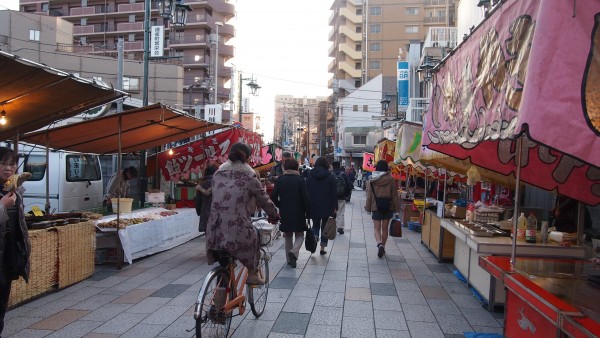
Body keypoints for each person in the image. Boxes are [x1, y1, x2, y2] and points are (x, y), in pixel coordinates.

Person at [205, 143, 280, 285]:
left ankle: (219, 304)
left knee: (224, 267)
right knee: (254, 237)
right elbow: (264, 199)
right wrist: (274, 215)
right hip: (237, 228)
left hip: (214, 230)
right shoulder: (249, 177)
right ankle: (253, 273)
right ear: (247, 158)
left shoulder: (217, 174)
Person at [0, 147, 31, 336]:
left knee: (2, 305)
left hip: (9, 256)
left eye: (12, 164)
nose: (8, 168)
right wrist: (2, 205)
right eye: (3, 163)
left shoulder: (14, 190)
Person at [270, 158, 310, 268]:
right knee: (300, 234)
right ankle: (294, 251)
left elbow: (273, 195)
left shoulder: (280, 180)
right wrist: (308, 211)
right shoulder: (301, 180)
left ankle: (289, 259)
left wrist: (279, 205)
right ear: (297, 167)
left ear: (285, 168)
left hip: (285, 210)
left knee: (288, 235)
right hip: (299, 210)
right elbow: (306, 197)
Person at [365, 160, 400, 258]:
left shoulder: (372, 179)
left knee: (376, 228)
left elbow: (369, 196)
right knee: (385, 229)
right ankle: (383, 246)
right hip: (388, 207)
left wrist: (368, 208)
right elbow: (394, 195)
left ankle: (379, 243)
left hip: (376, 207)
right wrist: (397, 209)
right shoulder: (391, 179)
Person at [306, 157, 337, 255]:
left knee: (315, 225)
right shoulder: (330, 176)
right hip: (327, 205)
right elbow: (334, 193)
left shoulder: (310, 174)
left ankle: (314, 239)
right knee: (325, 227)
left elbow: (307, 190)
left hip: (313, 204)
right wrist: (335, 207)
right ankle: (322, 248)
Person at [195, 164, 217, 234]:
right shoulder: (218, 182)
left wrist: (198, 211)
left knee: (208, 234)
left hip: (205, 211)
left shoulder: (201, 184)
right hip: (217, 211)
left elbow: (198, 200)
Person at [332, 161, 352, 234]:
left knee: (333, 213)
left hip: (332, 198)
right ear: (339, 166)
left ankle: (333, 227)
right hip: (342, 197)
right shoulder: (343, 174)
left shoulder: (331, 174)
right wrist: (347, 195)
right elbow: (348, 186)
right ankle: (340, 227)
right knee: (341, 213)